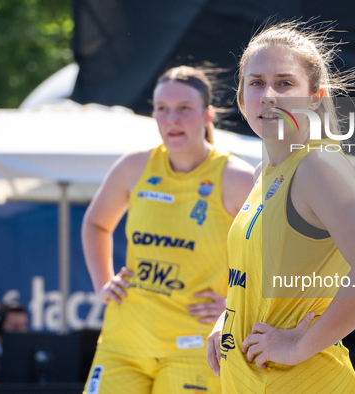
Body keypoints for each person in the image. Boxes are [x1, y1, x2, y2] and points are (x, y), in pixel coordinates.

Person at [206, 21, 355, 393]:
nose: (269, 95)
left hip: (304, 381)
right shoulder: (266, 172)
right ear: (241, 96)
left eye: (285, 83)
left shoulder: (317, 166)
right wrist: (227, 322)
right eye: (256, 82)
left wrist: (298, 346)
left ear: (314, 97)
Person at [81, 65, 254, 394]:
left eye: (184, 109)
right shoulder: (134, 166)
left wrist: (236, 307)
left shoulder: (236, 177)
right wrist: (102, 282)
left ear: (207, 115)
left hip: (194, 349)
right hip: (123, 343)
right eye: (162, 109)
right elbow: (95, 223)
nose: (172, 119)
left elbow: (270, 255)